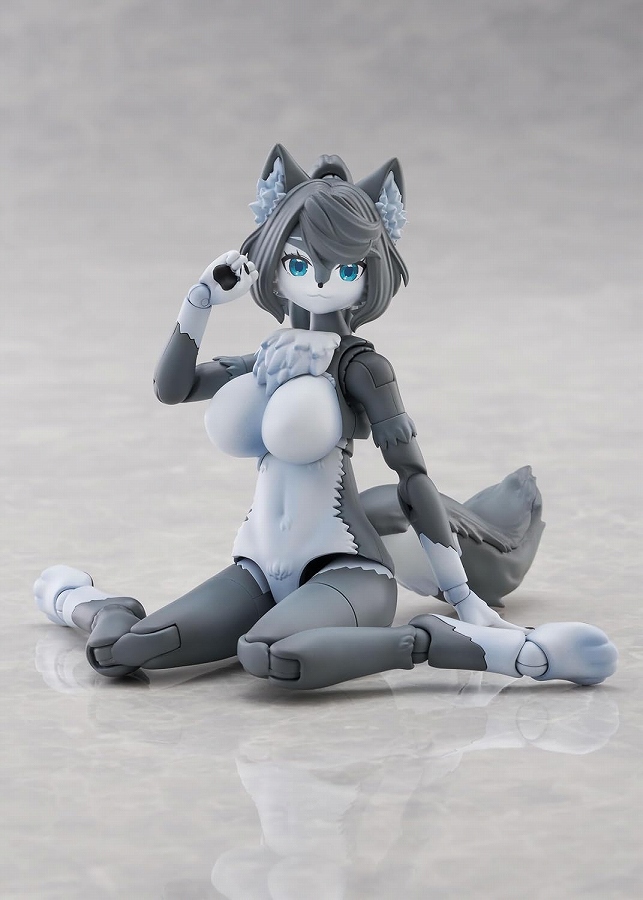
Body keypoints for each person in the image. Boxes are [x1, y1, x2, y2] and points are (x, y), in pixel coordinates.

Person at [34, 145, 617, 690]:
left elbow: (413, 479)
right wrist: (199, 302)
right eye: (298, 260)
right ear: (273, 260)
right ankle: (87, 602)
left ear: (368, 277)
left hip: (348, 569)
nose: (317, 279)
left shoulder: (360, 367)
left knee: (271, 656)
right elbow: (173, 388)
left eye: (345, 269)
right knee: (119, 652)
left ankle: (468, 647)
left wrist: (464, 596)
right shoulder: (267, 357)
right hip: (258, 568)